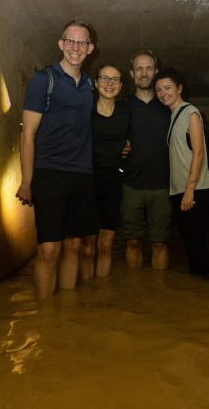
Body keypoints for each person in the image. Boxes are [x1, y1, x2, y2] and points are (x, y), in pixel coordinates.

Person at [16, 19, 99, 300]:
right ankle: (43, 316)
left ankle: (65, 317)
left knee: (74, 245)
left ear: (90, 48)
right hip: (49, 173)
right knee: (49, 249)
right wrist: (27, 181)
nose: (76, 47)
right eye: (71, 41)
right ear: (61, 44)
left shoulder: (90, 85)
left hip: (82, 175)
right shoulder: (44, 80)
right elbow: (27, 135)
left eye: (82, 42)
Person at [154, 68, 209, 286]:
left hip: (195, 190)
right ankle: (198, 296)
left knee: (197, 249)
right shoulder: (173, 116)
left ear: (179, 88)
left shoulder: (190, 112)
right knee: (191, 249)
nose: (163, 93)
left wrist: (189, 190)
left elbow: (199, 152)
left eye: (168, 88)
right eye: (159, 90)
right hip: (180, 191)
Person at [120, 50, 172, 269]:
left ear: (156, 71)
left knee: (159, 243)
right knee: (133, 242)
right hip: (131, 186)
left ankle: (158, 297)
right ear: (132, 74)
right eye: (139, 69)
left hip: (163, 186)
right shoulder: (122, 107)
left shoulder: (169, 106)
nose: (144, 73)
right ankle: (136, 295)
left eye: (148, 68)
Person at [90, 65, 130, 277]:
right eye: (104, 78)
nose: (109, 83)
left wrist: (130, 145)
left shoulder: (126, 112)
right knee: (86, 248)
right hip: (86, 183)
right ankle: (81, 301)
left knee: (105, 246)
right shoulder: (84, 110)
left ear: (121, 86)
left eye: (115, 79)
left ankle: (101, 298)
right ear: (96, 83)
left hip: (113, 183)